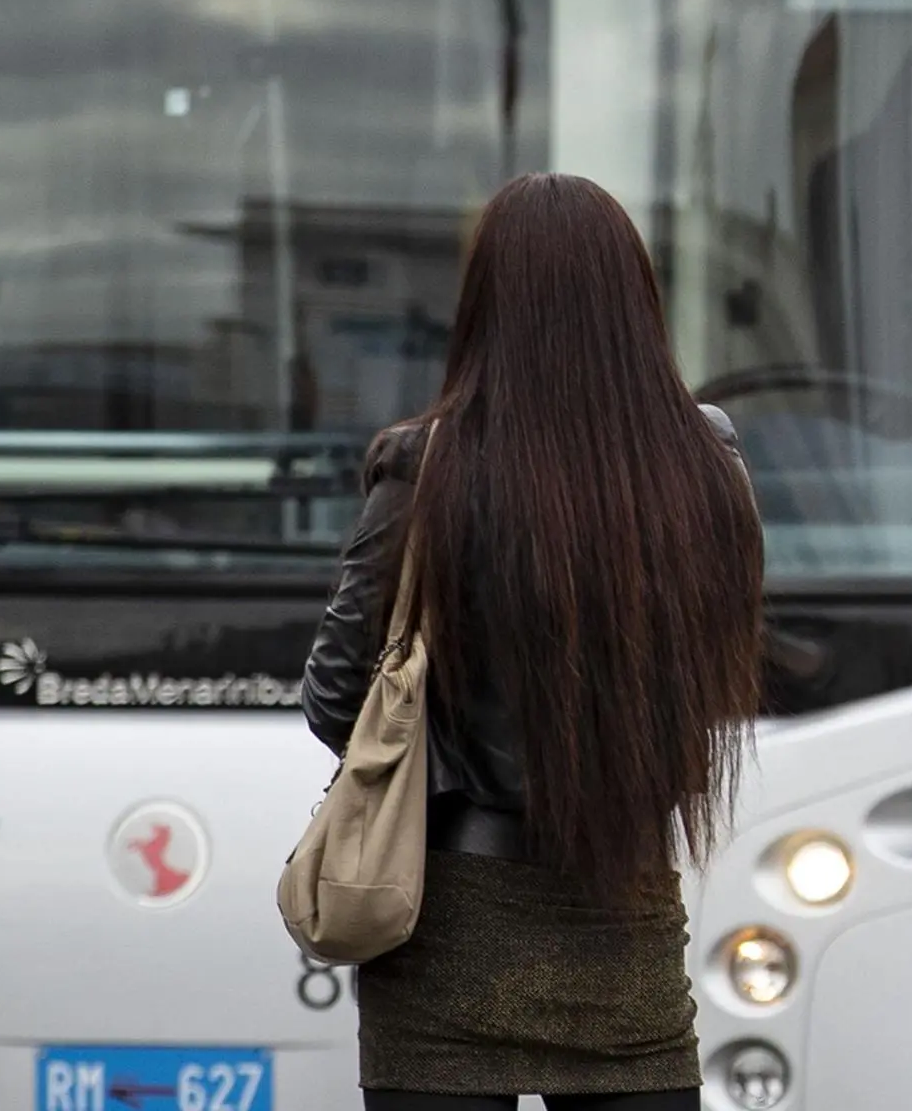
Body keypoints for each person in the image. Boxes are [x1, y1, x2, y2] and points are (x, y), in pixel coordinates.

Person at [301, 173, 766, 1111]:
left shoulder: (423, 465)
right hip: (623, 905)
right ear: (634, 302)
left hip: (444, 921)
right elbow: (718, 676)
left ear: (485, 307)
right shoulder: (706, 464)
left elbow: (335, 695)